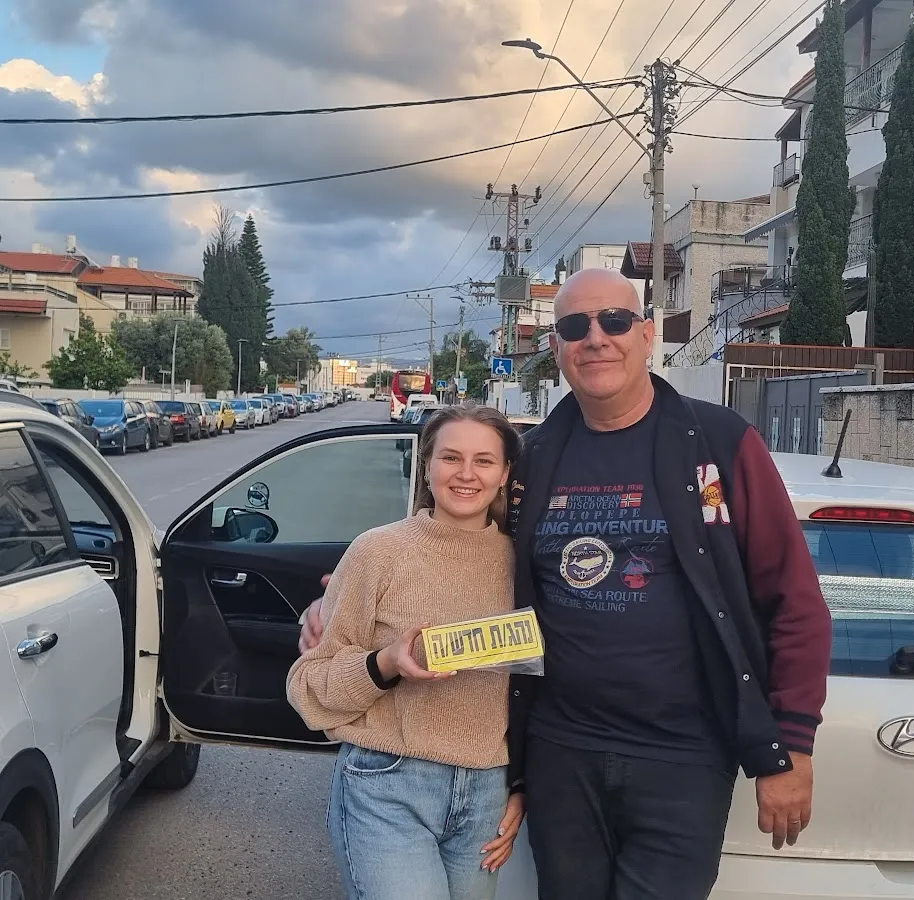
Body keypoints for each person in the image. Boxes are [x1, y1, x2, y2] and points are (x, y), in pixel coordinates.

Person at [302, 268, 832, 900]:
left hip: (684, 756)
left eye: (614, 321)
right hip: (560, 752)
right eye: (576, 325)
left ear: (647, 335)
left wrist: (790, 746)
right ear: (556, 346)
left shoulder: (719, 444)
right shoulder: (536, 457)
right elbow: (460, 549)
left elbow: (794, 602)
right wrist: (338, 599)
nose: (596, 338)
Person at [288, 403, 525, 900]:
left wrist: (521, 785)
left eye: (483, 461)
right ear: (426, 465)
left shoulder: (524, 563)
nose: (466, 474)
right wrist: (386, 664)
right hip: (388, 785)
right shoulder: (378, 551)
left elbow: (538, 689)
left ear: (505, 474)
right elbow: (308, 687)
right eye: (451, 457)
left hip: (487, 792)